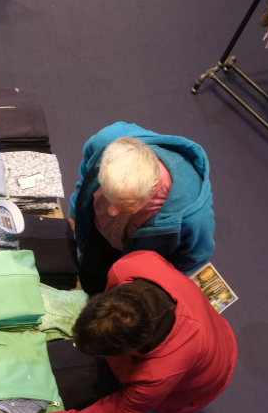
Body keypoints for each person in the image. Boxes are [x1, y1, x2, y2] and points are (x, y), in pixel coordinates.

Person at [24, 250, 238, 413]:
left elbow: (122, 409)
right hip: (198, 315)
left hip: (205, 372)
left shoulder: (160, 373)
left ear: (133, 350)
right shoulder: (129, 267)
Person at [68, 122, 215, 296]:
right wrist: (75, 210)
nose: (111, 212)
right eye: (108, 196)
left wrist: (159, 286)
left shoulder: (194, 216)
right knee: (89, 279)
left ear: (153, 186)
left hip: (137, 266)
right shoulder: (105, 143)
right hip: (97, 241)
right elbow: (87, 166)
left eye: (125, 204)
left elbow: (194, 256)